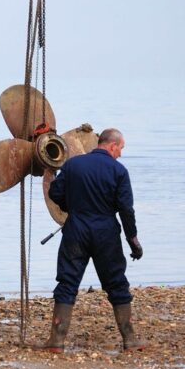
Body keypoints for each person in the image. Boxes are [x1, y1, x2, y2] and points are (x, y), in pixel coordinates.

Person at [46, 128, 145, 352]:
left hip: (76, 230)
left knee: (67, 282)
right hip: (106, 233)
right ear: (112, 146)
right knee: (116, 283)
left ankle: (56, 341)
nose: (120, 154)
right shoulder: (119, 171)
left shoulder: (73, 165)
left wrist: (70, 207)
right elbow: (126, 210)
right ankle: (129, 340)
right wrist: (133, 240)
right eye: (120, 149)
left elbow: (54, 193)